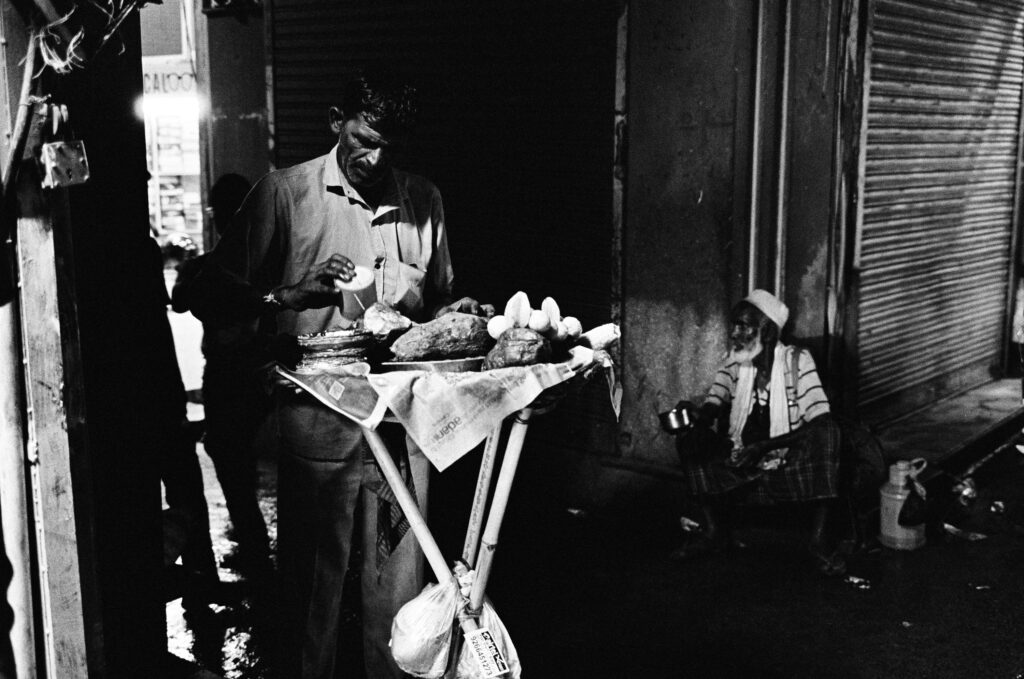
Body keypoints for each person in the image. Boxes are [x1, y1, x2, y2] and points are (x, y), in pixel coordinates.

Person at [187, 71, 488, 679]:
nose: (374, 159)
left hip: (404, 428)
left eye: (388, 147)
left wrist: (457, 314)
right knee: (310, 590)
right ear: (335, 122)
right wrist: (287, 295)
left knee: (400, 589)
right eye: (363, 140)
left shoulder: (422, 200)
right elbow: (204, 291)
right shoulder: (285, 194)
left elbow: (436, 304)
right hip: (319, 425)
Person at [672, 289, 845, 575]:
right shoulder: (735, 361)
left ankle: (818, 542)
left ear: (766, 332)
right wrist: (694, 414)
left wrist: (765, 446)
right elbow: (713, 404)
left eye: (743, 326)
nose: (734, 333)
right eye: (734, 325)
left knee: (829, 434)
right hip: (740, 458)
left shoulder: (797, 361)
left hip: (785, 462)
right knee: (690, 436)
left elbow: (820, 420)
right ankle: (714, 532)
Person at [172, 173, 273, 579]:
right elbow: (180, 301)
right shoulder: (218, 264)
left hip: (241, 374)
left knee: (234, 462)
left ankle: (256, 551)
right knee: (237, 463)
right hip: (240, 374)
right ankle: (255, 548)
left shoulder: (246, 264)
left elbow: (182, 301)